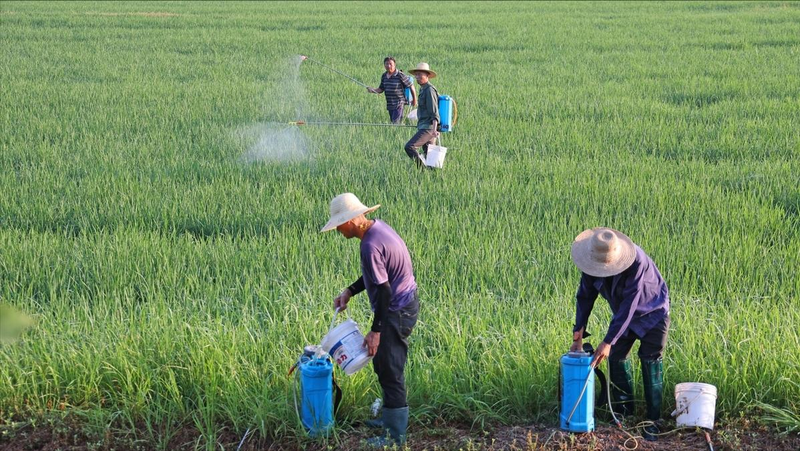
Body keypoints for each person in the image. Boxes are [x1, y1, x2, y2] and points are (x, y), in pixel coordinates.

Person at [321, 193, 419, 448]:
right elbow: (376, 275)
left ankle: (394, 437)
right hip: (401, 306)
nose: (338, 230)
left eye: (339, 224)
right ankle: (389, 419)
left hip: (396, 311)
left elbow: (384, 290)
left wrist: (376, 331)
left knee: (390, 370)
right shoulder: (379, 228)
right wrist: (349, 291)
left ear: (351, 221)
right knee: (383, 364)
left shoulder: (369, 245)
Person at [569, 227, 670, 441]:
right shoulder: (591, 261)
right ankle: (624, 414)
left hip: (653, 311)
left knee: (650, 359)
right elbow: (585, 297)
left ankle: (653, 420)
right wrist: (578, 334)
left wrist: (607, 341)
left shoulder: (636, 262)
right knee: (616, 357)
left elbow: (629, 305)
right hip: (623, 315)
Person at [404, 62, 440, 168]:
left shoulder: (429, 90)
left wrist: (434, 129)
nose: (417, 77)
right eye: (416, 74)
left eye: (420, 74)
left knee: (410, 147)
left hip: (428, 128)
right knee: (429, 155)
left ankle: (422, 169)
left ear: (427, 75)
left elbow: (434, 112)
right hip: (424, 126)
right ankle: (431, 175)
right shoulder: (423, 89)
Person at [367, 57, 417, 124]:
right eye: (386, 64)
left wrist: (414, 100)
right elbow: (381, 89)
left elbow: (411, 86)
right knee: (393, 123)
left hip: (399, 103)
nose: (388, 66)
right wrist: (372, 90)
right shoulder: (384, 76)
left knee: (395, 123)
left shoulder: (400, 75)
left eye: (390, 64)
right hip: (390, 104)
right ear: (384, 65)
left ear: (394, 65)